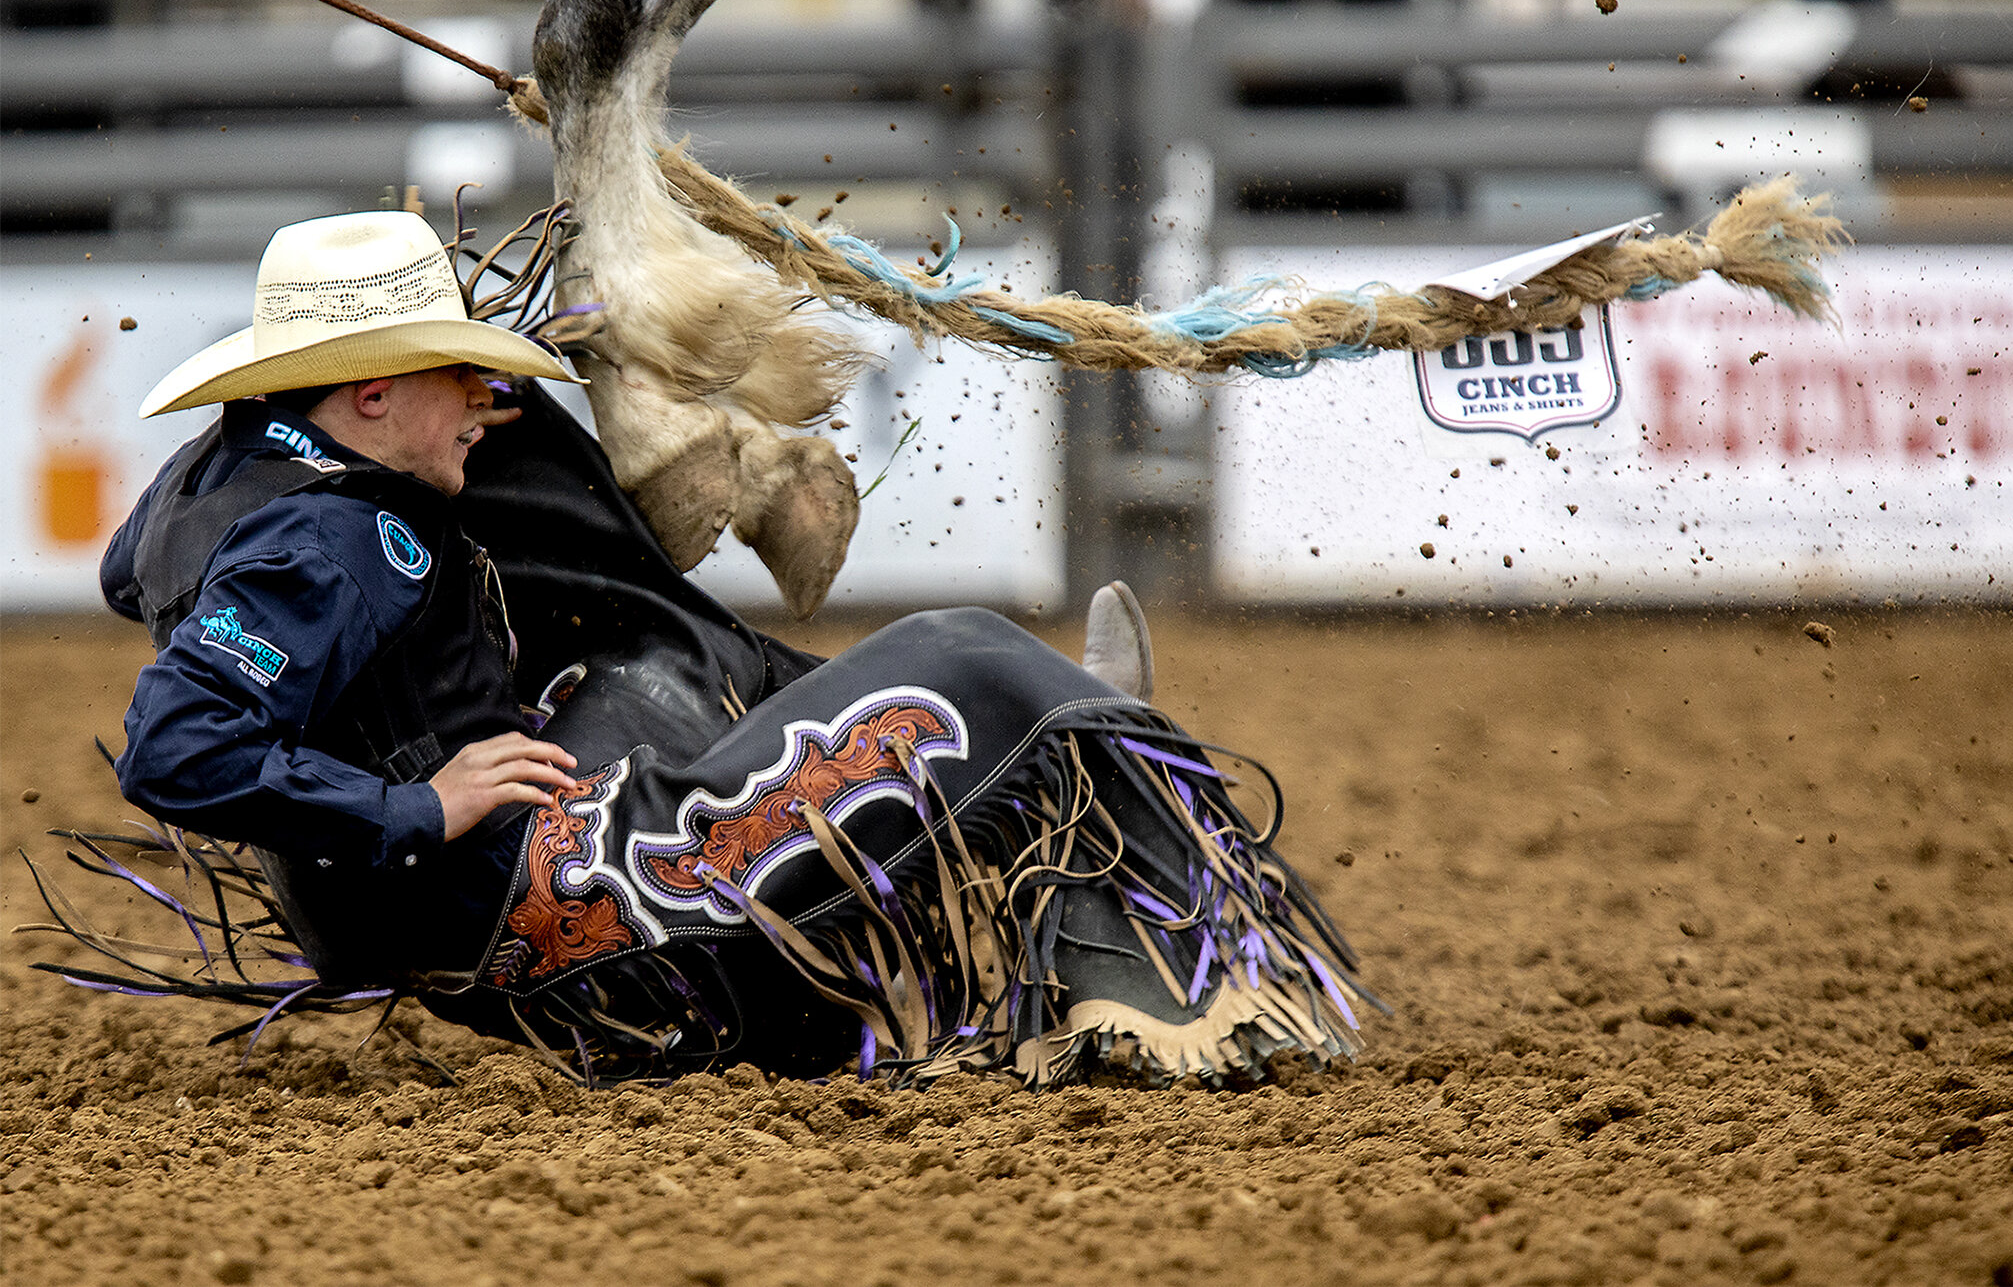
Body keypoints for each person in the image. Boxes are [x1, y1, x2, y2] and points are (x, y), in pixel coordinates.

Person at [93, 210, 1375, 1086]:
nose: (489, 398)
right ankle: (1167, 982)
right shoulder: (334, 542)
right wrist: (417, 804)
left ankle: (1026, 792)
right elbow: (181, 746)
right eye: (454, 373)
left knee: (669, 664)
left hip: (422, 914)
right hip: (527, 892)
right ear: (368, 394)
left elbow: (137, 577)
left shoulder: (223, 478)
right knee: (968, 654)